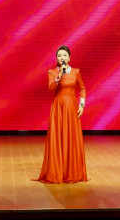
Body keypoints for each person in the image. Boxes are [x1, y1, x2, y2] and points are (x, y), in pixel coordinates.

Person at [34, 45, 88, 183]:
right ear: (57, 59)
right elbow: (51, 88)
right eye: (59, 56)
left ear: (69, 58)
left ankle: (71, 171)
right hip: (58, 108)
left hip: (72, 107)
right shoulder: (52, 72)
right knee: (57, 137)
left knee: (71, 138)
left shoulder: (76, 72)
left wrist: (82, 105)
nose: (62, 57)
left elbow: (82, 89)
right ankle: (57, 172)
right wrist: (59, 76)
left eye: (64, 55)